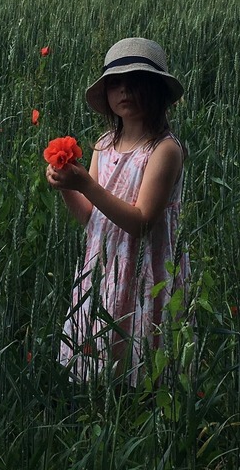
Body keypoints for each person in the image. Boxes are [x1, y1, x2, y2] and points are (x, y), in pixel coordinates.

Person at [45, 37, 191, 385]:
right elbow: (90, 217)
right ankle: (100, 405)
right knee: (102, 344)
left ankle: (141, 408)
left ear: (156, 89)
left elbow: (141, 223)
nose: (124, 90)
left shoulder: (164, 150)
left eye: (135, 81)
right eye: (115, 83)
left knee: (142, 342)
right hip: (104, 264)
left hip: (146, 266)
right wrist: (67, 187)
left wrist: (86, 185)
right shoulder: (103, 144)